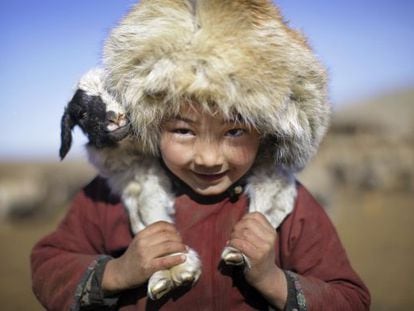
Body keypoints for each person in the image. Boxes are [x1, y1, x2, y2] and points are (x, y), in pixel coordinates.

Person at [31, 0, 370, 310]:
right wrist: (118, 273)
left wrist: (273, 280)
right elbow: (48, 264)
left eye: (235, 131)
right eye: (183, 130)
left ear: (267, 132)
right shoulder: (109, 196)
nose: (208, 158)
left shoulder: (291, 208)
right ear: (149, 125)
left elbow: (351, 299)